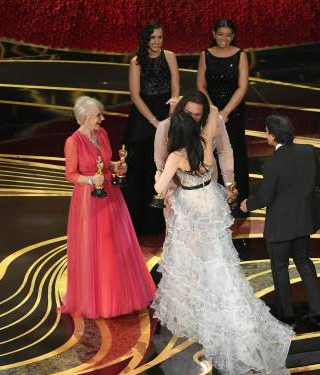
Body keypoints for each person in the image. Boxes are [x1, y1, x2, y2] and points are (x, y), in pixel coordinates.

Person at [152, 108, 293, 375]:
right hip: (209, 199)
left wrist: (161, 174)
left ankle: (199, 302)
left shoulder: (175, 156)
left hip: (191, 207)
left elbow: (160, 187)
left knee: (191, 260)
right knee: (217, 257)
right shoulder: (204, 144)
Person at [60, 96, 156, 318]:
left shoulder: (101, 134)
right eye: (97, 116)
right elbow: (70, 174)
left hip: (111, 195)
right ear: (84, 118)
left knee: (116, 245)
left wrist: (115, 165)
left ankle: (120, 294)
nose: (102, 119)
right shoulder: (72, 142)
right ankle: (100, 301)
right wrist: (90, 180)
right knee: (97, 248)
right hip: (88, 200)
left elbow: (105, 162)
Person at [240, 115, 320, 329]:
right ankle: (317, 312)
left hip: (280, 227)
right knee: (304, 262)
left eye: (266, 131)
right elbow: (318, 181)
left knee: (280, 268)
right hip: (304, 221)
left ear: (272, 135)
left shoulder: (272, 164)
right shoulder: (309, 151)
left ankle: (286, 316)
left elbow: (264, 198)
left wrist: (246, 205)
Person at [122, 21, 180, 236]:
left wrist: (171, 117)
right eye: (153, 38)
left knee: (163, 168)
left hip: (167, 114)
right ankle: (136, 223)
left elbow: (175, 89)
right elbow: (135, 96)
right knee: (139, 168)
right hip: (143, 118)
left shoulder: (170, 56)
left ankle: (159, 223)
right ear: (145, 39)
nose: (157, 42)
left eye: (160, 37)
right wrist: (155, 122)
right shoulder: (136, 62)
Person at [153, 91, 236, 218]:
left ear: (205, 113)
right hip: (174, 189)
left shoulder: (213, 123)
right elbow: (160, 161)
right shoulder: (166, 127)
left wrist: (229, 184)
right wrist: (167, 191)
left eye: (197, 114)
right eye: (188, 113)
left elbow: (224, 151)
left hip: (208, 188)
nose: (191, 118)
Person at [197, 18, 249, 211]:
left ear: (233, 36)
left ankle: (237, 202)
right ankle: (213, 202)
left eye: (228, 35)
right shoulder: (205, 55)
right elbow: (201, 86)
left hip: (233, 112)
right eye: (220, 34)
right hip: (210, 111)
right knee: (210, 152)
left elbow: (242, 86)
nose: (224, 39)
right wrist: (212, 110)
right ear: (213, 34)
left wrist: (226, 111)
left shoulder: (240, 55)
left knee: (234, 152)